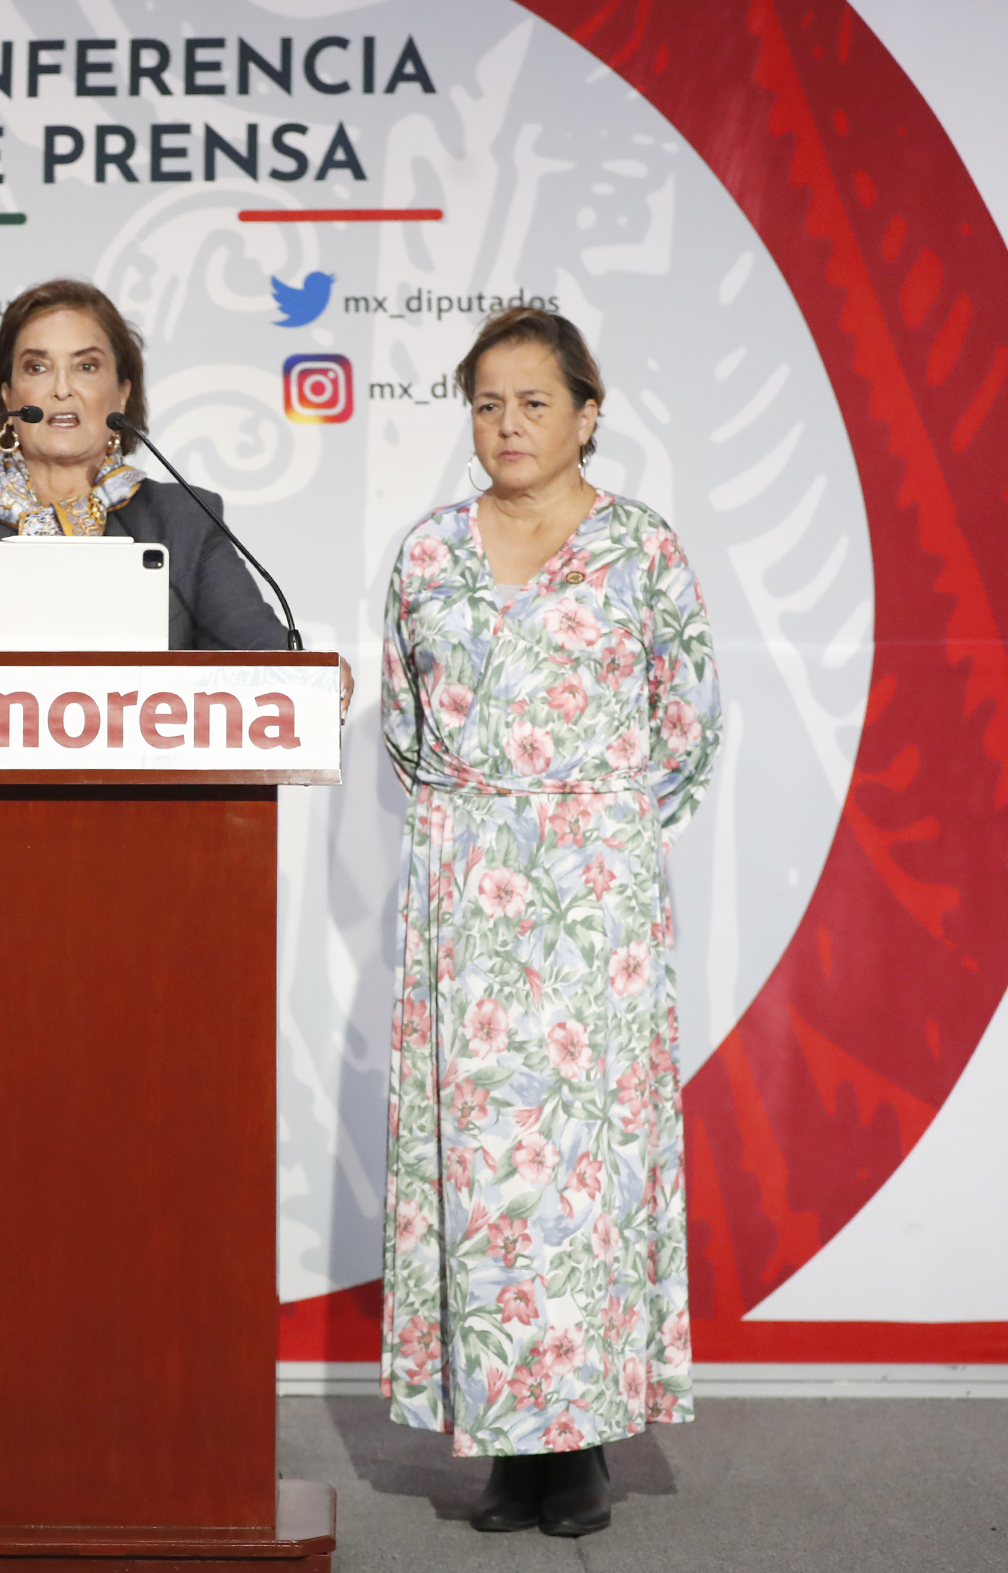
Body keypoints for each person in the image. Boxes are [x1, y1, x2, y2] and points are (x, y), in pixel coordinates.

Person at [378, 307, 721, 1538]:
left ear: (587, 413)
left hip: (593, 907)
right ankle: (503, 1442)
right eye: (486, 403)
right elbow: (406, 728)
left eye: (533, 401)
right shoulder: (428, 552)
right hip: (465, 897)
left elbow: (688, 725)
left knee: (582, 1173)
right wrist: (486, 830)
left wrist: (590, 836)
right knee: (484, 1175)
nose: (507, 424)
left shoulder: (641, 548)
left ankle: (578, 1444)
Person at [0, 276, 341, 1108]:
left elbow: (270, 663)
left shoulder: (182, 521)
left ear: (122, 392)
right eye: (36, 367)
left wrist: (314, 679)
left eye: (85, 366)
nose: (60, 390)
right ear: (5, 395)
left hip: (149, 882)